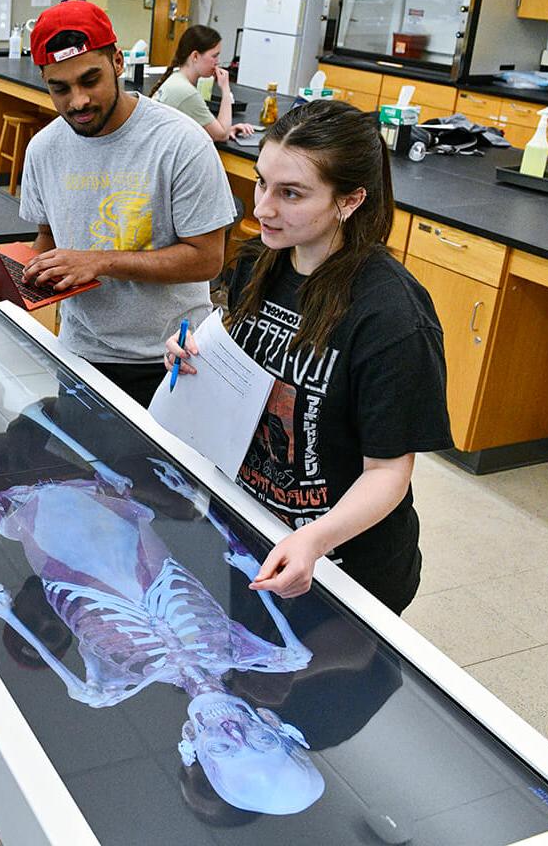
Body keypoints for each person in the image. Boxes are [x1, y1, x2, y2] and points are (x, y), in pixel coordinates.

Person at [166, 99, 452, 614]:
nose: (262, 208)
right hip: (254, 533)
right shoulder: (258, 263)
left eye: (291, 194)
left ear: (350, 200)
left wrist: (314, 541)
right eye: (261, 183)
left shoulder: (391, 318)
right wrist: (194, 358)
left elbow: (387, 472)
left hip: (346, 569)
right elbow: (246, 371)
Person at [8, 0, 236, 408]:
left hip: (172, 359)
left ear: (117, 61)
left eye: (89, 80)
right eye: (59, 88)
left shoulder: (180, 143)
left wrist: (98, 261)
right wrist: (15, 276)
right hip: (81, 353)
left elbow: (207, 260)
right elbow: (48, 238)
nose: (77, 101)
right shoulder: (44, 149)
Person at [149, 25, 256, 142]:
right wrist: (226, 90)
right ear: (195, 56)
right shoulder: (186, 92)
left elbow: (204, 129)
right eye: (214, 56)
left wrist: (227, 129)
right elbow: (221, 136)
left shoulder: (176, 79)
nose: (217, 62)